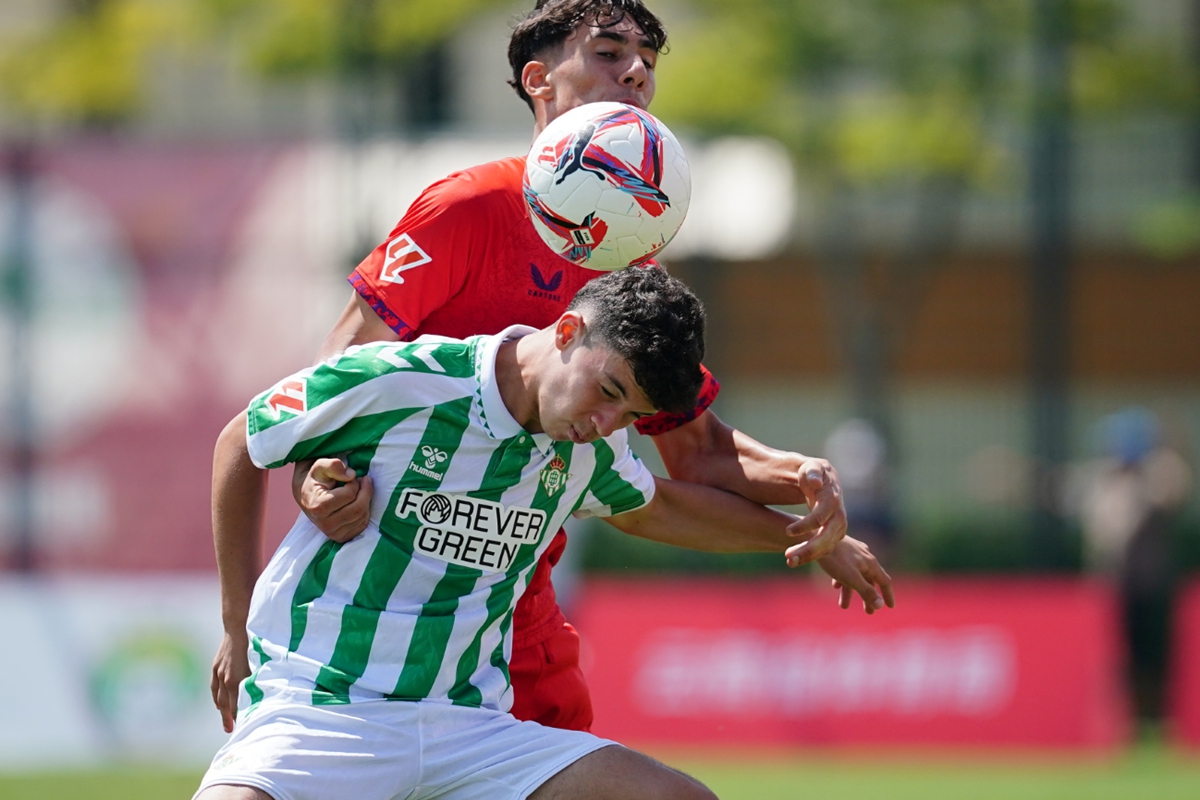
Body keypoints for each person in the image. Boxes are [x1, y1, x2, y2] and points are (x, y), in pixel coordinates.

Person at [213, 0, 875, 736]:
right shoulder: (466, 207)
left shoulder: (630, 258)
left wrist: (806, 493)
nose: (635, 73)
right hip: (376, 589)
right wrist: (317, 470)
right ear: (539, 81)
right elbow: (343, 363)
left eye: (649, 64)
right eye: (608, 52)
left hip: (516, 601)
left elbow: (696, 455)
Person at [199, 269, 888, 800]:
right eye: (608, 391)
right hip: (321, 708)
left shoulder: (589, 449)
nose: (606, 424)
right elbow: (242, 441)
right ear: (565, 333)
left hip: (469, 730)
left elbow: (654, 508)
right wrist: (235, 626)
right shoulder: (404, 381)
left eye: (631, 415)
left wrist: (809, 540)